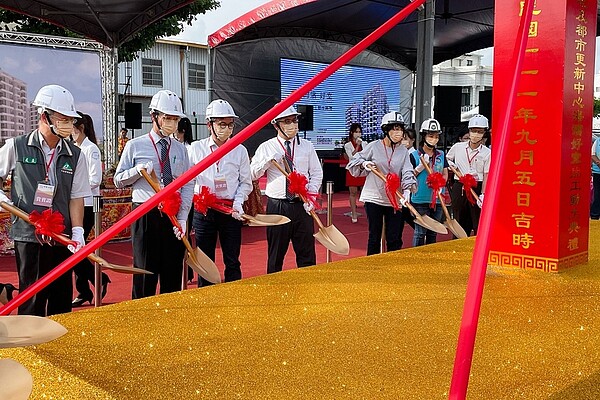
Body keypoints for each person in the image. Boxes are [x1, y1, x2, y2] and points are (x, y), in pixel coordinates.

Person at [0, 84, 91, 316]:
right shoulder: (17, 146)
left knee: (61, 297)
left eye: (70, 119)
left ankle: (57, 346)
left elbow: (76, 196)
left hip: (61, 235)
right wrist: (5, 201)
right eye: (62, 118)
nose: (68, 124)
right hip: (30, 235)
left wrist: (78, 231)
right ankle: (30, 348)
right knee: (32, 296)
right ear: (44, 116)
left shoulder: (75, 154)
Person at [114, 89, 193, 299]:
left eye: (175, 119)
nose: (172, 123)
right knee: (145, 272)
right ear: (154, 117)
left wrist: (184, 217)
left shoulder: (181, 149)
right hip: (145, 214)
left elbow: (187, 183)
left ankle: (171, 319)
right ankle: (141, 317)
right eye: (167, 118)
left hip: (173, 215)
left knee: (172, 272)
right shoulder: (135, 145)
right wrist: (136, 172)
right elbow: (118, 179)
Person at [250, 105, 323, 273]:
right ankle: (274, 290)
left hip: (302, 205)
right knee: (276, 254)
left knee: (307, 255)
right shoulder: (267, 147)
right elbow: (252, 174)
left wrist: (311, 196)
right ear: (276, 125)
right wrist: (266, 162)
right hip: (278, 206)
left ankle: (308, 289)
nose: (293, 125)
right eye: (287, 121)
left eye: (295, 120)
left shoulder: (307, 146)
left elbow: (317, 172)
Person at [188, 100, 252, 286]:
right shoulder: (196, 149)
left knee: (232, 261)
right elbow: (187, 181)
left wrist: (239, 203)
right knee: (205, 262)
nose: (227, 129)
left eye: (230, 124)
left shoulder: (239, 150)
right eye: (221, 124)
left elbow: (245, 183)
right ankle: (206, 301)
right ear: (209, 125)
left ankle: (233, 299)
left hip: (230, 211)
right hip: (204, 211)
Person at [347, 111, 416, 255]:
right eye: (394, 128)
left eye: (400, 129)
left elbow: (408, 171)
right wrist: (364, 163)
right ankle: (372, 267)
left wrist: (408, 190)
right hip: (374, 197)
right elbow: (354, 161)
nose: (398, 132)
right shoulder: (374, 146)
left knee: (394, 237)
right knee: (375, 236)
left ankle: (393, 267)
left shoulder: (403, 151)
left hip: (395, 199)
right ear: (386, 130)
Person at [71, 112, 111, 306]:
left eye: (73, 129)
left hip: (87, 204)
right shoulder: (73, 147)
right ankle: (84, 289)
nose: (70, 133)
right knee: (73, 249)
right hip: (73, 202)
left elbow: (96, 179)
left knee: (75, 250)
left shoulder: (90, 149)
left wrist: (75, 186)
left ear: (81, 128)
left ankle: (97, 280)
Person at [446, 114, 491, 235]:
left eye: (479, 131)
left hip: (476, 187)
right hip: (459, 186)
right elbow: (448, 159)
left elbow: (486, 174)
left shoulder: (487, 153)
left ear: (484, 133)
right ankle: (457, 247)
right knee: (459, 220)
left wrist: (483, 194)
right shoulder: (458, 147)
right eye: (473, 131)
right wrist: (452, 165)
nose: (476, 134)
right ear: (469, 131)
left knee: (477, 221)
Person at [410, 118, 449, 247]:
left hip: (437, 199)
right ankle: (417, 257)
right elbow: (409, 176)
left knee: (433, 232)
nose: (434, 139)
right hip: (419, 199)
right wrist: (419, 168)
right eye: (431, 136)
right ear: (424, 136)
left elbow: (445, 173)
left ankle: (430, 258)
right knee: (420, 232)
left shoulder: (441, 155)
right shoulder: (415, 155)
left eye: (436, 136)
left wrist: (440, 182)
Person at [343, 123, 366, 223]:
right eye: (356, 132)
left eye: (359, 132)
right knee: (353, 192)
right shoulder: (347, 145)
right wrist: (357, 146)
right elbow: (351, 157)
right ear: (352, 133)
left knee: (365, 192)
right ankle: (354, 213)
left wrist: (361, 145)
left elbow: (366, 155)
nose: (358, 134)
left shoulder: (365, 144)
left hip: (362, 170)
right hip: (352, 170)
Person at [591, 136, 600, 219]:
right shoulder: (597, 141)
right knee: (597, 194)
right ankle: (595, 214)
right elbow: (593, 155)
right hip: (598, 172)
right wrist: (598, 162)